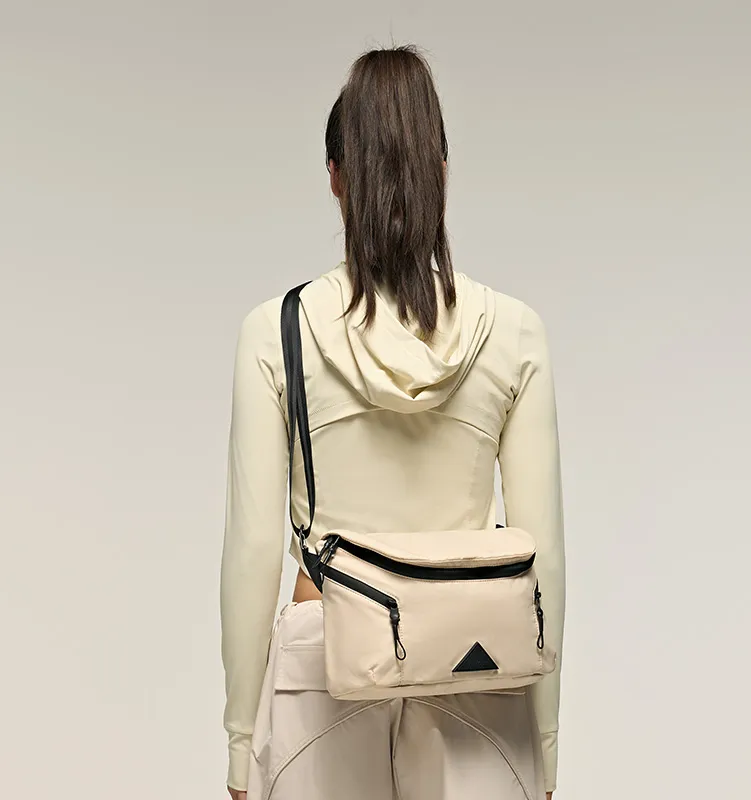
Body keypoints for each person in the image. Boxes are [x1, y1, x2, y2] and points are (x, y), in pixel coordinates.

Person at [220, 45, 565, 800]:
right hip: (476, 665)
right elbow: (542, 558)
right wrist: (545, 747)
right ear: (441, 170)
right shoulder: (515, 333)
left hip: (325, 663)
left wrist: (242, 745)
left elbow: (253, 550)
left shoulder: (277, 331)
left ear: (337, 177)